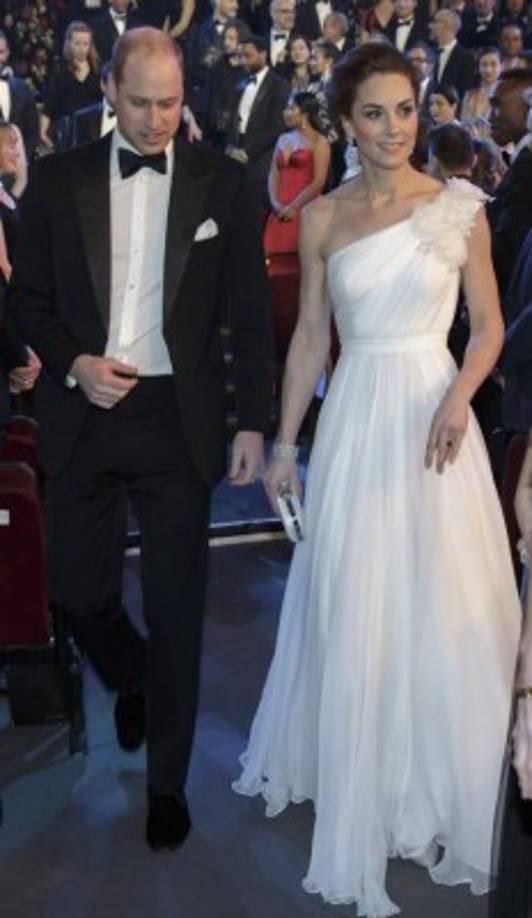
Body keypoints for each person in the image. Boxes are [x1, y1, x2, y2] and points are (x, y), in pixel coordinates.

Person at [233, 41, 521, 917]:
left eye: (405, 110)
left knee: (446, 605)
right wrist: (285, 444)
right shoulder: (322, 219)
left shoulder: (461, 208)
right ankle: (361, 769)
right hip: (357, 419)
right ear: (346, 121)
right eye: (374, 114)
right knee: (357, 600)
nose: (394, 129)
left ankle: (431, 783)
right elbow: (311, 342)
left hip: (436, 419)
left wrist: (460, 399)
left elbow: (489, 330)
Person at [7, 26, 273, 852]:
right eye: (141, 103)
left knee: (178, 603)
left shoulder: (221, 185)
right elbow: (29, 304)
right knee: (75, 587)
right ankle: (130, 675)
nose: (158, 120)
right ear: (109, 95)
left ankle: (166, 787)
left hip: (176, 421)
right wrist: (73, 362)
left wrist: (255, 422)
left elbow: (250, 312)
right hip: (84, 409)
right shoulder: (56, 182)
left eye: (171, 102)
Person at [264, 92, 330, 263]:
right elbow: (273, 174)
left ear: (305, 114)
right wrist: (276, 204)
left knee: (301, 263)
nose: (285, 112)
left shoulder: (320, 142)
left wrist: (294, 207)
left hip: (305, 209)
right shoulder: (283, 139)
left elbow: (319, 182)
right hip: (279, 210)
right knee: (274, 262)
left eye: (291, 108)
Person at [41, 20, 102, 151]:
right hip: (68, 135)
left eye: (85, 44)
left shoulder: (98, 71)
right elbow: (49, 106)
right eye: (77, 44)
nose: (81, 49)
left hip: (93, 133)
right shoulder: (60, 73)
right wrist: (43, 133)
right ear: (69, 44)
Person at [461, 46, 502, 120]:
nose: (488, 70)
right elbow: (465, 123)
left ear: (501, 66)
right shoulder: (470, 96)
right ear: (478, 68)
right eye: (484, 65)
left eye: (493, 64)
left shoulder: (509, 93)